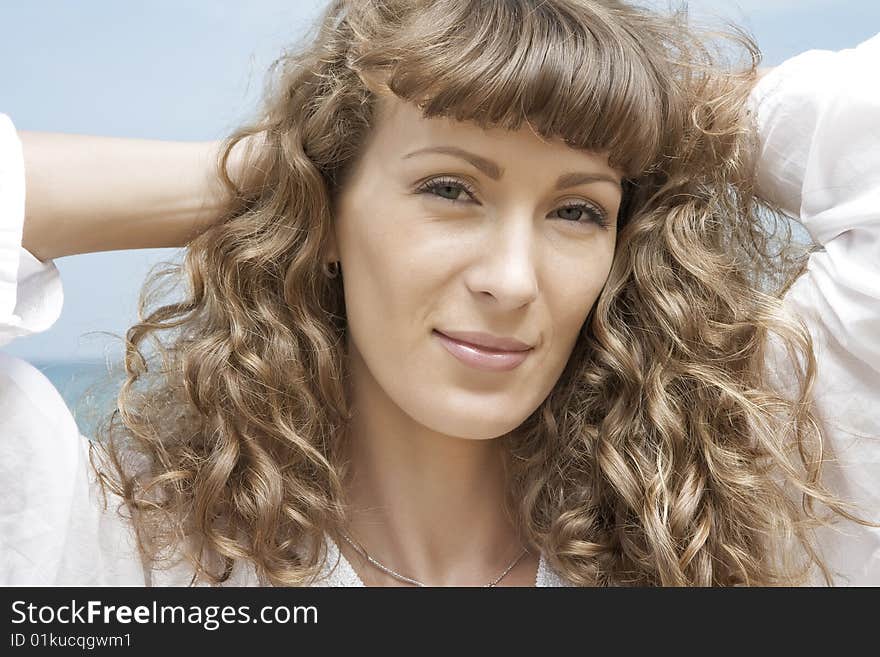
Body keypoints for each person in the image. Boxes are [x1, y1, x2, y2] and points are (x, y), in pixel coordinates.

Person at [1, 0, 878, 587]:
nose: (512, 279)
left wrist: (630, 101)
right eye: (450, 190)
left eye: (577, 208)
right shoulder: (130, 561)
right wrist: (281, 174)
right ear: (327, 214)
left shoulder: (748, 510)